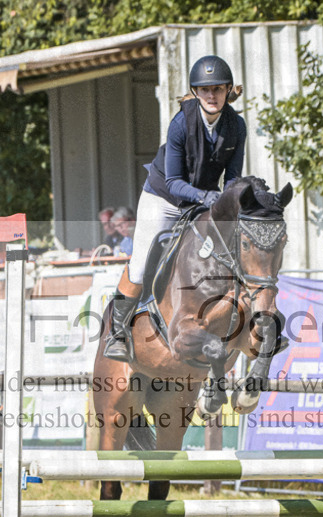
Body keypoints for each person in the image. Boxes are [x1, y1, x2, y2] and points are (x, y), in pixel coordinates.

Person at [103, 55, 247, 362]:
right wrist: (208, 197)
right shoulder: (181, 123)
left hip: (201, 202)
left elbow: (233, 179)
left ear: (227, 91)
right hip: (164, 198)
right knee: (141, 262)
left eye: (218, 89)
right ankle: (116, 332)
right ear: (195, 92)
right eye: (205, 90)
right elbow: (174, 180)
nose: (212, 95)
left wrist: (231, 205)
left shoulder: (237, 127)